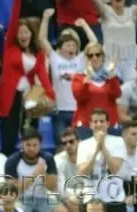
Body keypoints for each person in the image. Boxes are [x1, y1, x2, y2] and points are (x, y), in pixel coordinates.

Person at [0, 0, 55, 156]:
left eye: (26, 32)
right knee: (9, 135)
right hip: (10, 97)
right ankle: (7, 171)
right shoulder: (10, 47)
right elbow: (14, 19)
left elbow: (43, 76)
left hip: (29, 97)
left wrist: (51, 95)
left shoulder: (38, 53)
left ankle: (31, 165)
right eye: (20, 32)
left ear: (31, 34)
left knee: (30, 133)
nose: (23, 35)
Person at [40, 9, 95, 144]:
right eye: (68, 45)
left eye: (74, 45)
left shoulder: (80, 59)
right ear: (61, 47)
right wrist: (45, 19)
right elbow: (42, 39)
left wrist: (84, 25)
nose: (71, 47)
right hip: (59, 111)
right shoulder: (55, 59)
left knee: (82, 146)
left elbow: (94, 42)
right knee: (61, 147)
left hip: (79, 111)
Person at [4, 128, 72, 212]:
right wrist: (34, 175)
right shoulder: (12, 161)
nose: (31, 148)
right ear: (22, 144)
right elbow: (14, 191)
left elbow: (52, 187)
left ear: (40, 145)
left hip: (43, 199)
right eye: (28, 145)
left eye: (35, 145)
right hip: (21, 200)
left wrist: (43, 174)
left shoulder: (48, 158)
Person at [71, 44, 121, 130]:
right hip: (86, 125)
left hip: (109, 125)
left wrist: (112, 76)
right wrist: (87, 79)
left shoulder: (110, 76)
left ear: (103, 57)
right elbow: (79, 96)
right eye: (90, 55)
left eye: (98, 54)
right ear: (86, 59)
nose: (94, 58)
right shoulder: (79, 77)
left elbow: (117, 94)